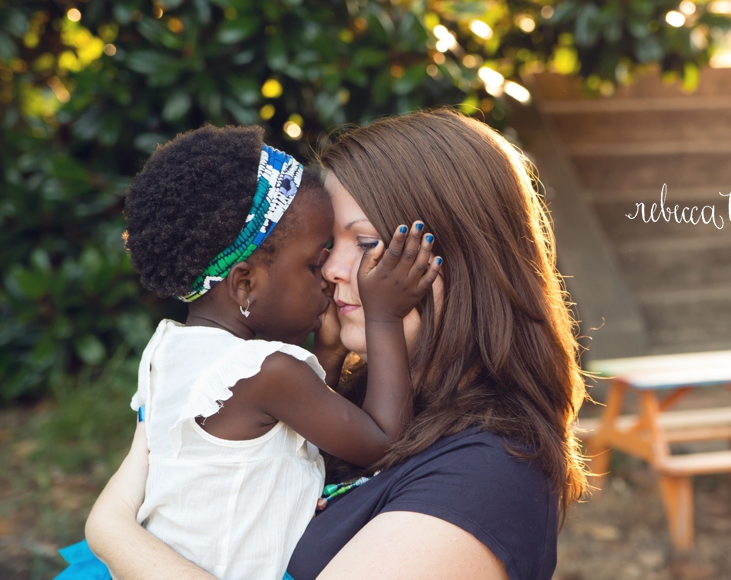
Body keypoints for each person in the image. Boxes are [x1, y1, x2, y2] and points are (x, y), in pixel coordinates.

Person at [84, 109, 588, 580]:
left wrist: (111, 531)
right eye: (326, 248)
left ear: (466, 260)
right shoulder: (333, 393)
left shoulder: (486, 473)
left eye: (365, 244)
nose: (330, 270)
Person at [59, 124, 440, 580]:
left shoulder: (167, 349)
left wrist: (328, 351)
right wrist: (384, 317)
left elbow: (310, 429)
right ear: (245, 284)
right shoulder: (266, 371)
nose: (329, 276)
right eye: (314, 263)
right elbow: (381, 440)